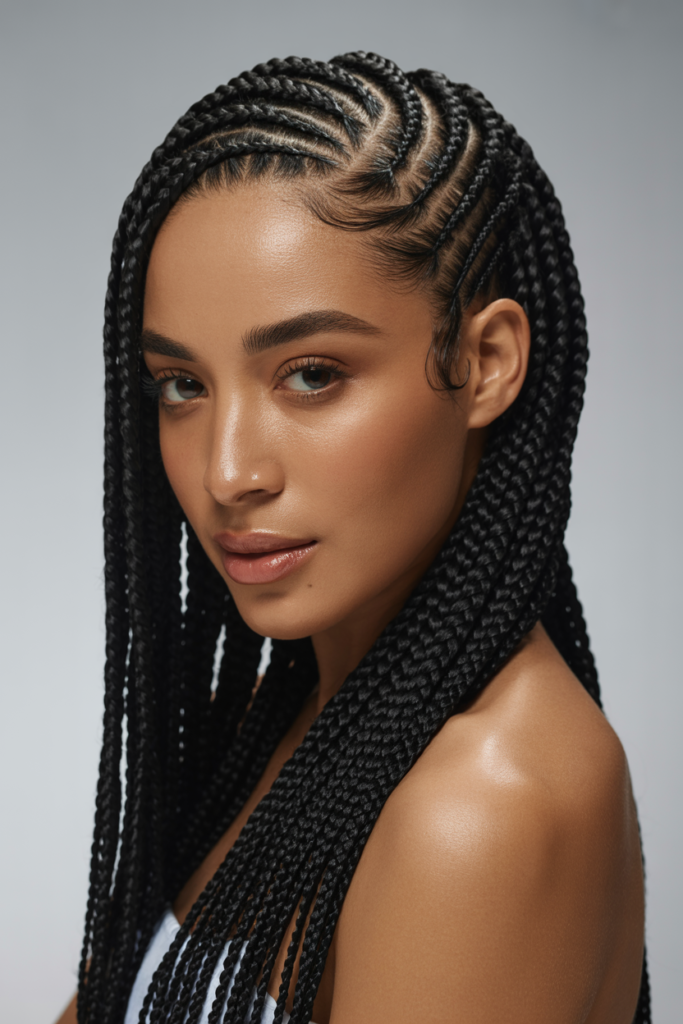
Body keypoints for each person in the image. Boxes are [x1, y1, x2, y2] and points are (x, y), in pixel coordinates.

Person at [56, 51, 649, 1024]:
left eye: (311, 374)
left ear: (484, 361)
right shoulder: (263, 721)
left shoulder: (477, 806)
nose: (227, 471)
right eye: (182, 385)